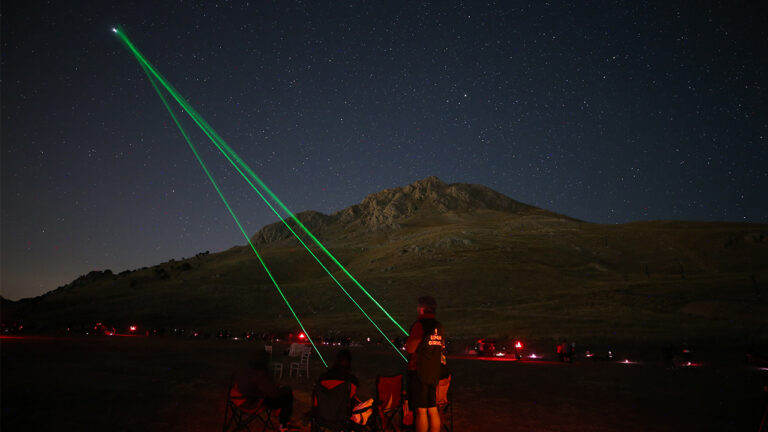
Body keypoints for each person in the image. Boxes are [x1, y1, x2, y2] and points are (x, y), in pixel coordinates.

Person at [405, 296, 445, 432]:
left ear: (422, 309)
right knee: (432, 409)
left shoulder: (419, 325)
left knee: (421, 411)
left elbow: (410, 348)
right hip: (433, 373)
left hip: (419, 373)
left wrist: (408, 342)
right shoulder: (439, 326)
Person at [236, 350, 295, 432]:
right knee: (287, 396)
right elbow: (271, 393)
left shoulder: (248, 370)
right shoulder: (260, 373)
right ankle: (283, 425)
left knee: (285, 392)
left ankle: (284, 422)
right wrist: (281, 390)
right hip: (254, 402)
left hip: (239, 399)